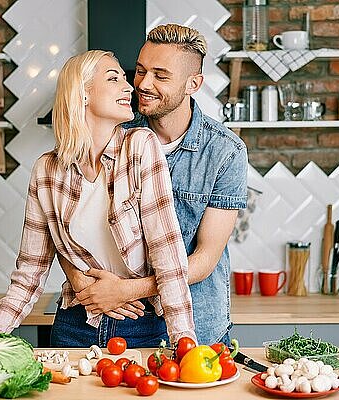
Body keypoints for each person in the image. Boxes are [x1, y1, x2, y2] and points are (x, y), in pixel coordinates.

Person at [0, 50, 196, 360]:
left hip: (143, 325)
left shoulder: (140, 146)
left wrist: (184, 343)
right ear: (81, 94)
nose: (129, 87)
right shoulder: (47, 170)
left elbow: (168, 253)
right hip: (75, 326)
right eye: (114, 79)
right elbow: (30, 271)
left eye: (125, 79)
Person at [61, 24, 248, 346]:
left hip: (190, 320)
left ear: (193, 84)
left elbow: (204, 259)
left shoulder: (225, 151)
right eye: (141, 71)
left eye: (161, 76)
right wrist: (81, 282)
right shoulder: (113, 127)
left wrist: (125, 289)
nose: (142, 84)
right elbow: (63, 221)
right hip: (100, 314)